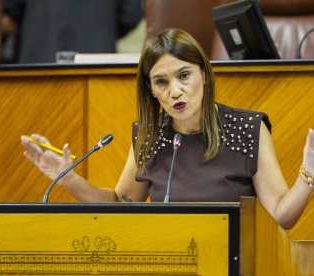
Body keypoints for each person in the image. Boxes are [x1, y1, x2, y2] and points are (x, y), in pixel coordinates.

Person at [21, 28, 314, 230]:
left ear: (205, 75)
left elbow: (281, 215)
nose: (175, 91)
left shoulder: (247, 129)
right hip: (169, 272)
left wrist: (308, 175)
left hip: (232, 266)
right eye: (161, 82)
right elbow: (120, 204)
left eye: (184, 75)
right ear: (152, 90)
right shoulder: (150, 137)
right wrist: (68, 178)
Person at [1, 0, 144, 63]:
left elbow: (10, 12)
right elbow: (130, 15)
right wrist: (100, 33)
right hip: (97, 64)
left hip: (38, 63)